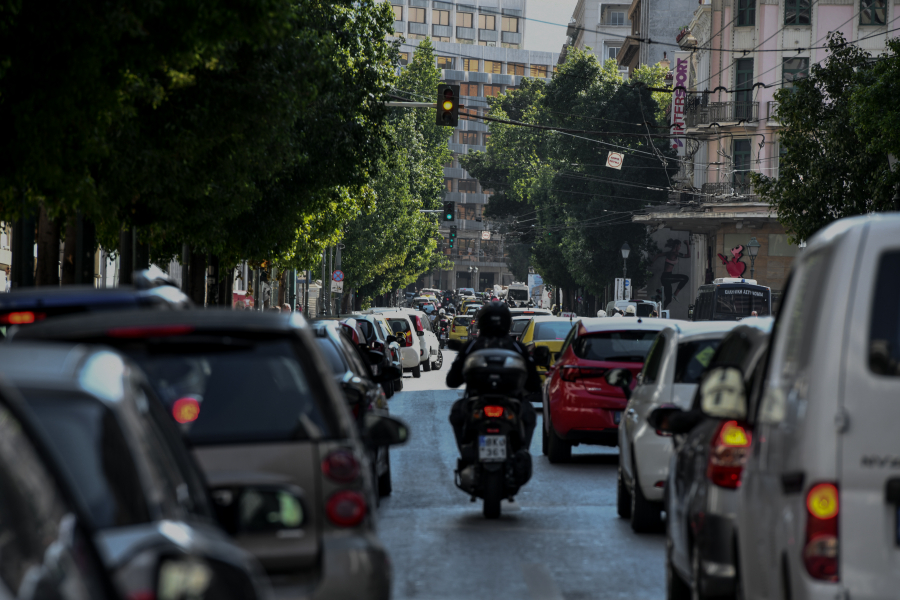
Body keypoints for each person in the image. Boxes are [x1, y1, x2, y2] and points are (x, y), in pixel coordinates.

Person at [446, 302, 540, 451]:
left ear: (481, 322)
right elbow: (534, 384)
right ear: (507, 322)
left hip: (478, 404)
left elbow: (452, 381)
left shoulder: (472, 346)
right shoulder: (516, 347)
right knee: (529, 414)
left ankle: (466, 453)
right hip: (509, 404)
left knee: (457, 412)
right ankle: (521, 452)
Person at [652, 238, 691, 309]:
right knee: (685, 278)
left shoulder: (668, 253)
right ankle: (675, 294)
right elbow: (688, 255)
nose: (680, 247)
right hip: (667, 277)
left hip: (665, 277)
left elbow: (657, 255)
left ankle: (661, 310)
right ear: (676, 246)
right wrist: (687, 244)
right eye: (680, 246)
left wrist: (651, 263)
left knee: (668, 299)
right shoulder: (675, 254)